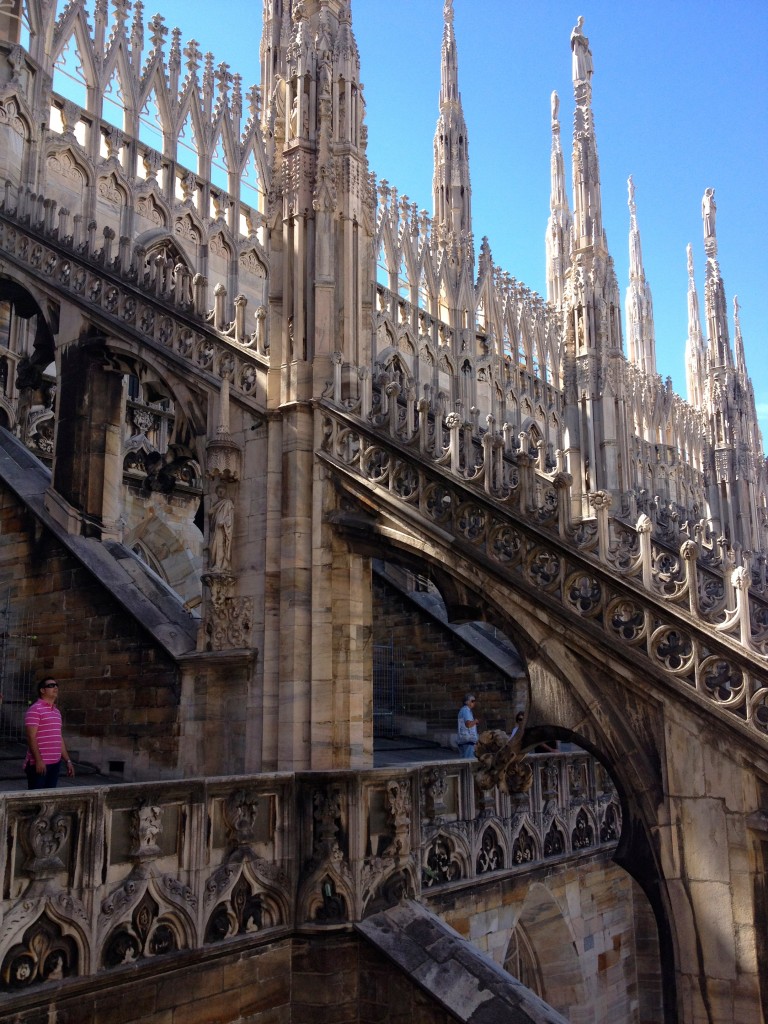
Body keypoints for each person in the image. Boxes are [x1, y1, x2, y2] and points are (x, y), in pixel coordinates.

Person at [23, 678, 75, 789]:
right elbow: (31, 737)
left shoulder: (57, 712)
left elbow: (58, 738)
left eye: (56, 685)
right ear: (42, 690)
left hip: (55, 763)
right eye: (51, 685)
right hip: (40, 763)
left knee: (49, 799)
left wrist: (68, 761)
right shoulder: (35, 710)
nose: (55, 687)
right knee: (36, 801)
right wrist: (38, 760)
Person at [457, 694, 479, 758]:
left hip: (463, 740)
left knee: (463, 761)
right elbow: (468, 724)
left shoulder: (463, 710)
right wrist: (475, 721)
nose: (474, 702)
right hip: (468, 740)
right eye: (472, 701)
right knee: (469, 761)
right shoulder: (466, 710)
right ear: (466, 702)